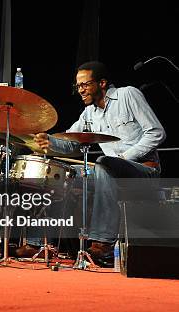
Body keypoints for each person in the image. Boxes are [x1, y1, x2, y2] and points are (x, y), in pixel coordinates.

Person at [29, 61, 166, 266]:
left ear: (102, 83)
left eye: (85, 85)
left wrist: (124, 158)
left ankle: (103, 242)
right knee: (60, 173)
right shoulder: (90, 113)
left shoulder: (127, 95)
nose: (80, 90)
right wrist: (49, 140)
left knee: (103, 163)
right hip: (109, 172)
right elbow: (70, 142)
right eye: (78, 86)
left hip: (143, 169)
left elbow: (156, 132)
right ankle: (37, 242)